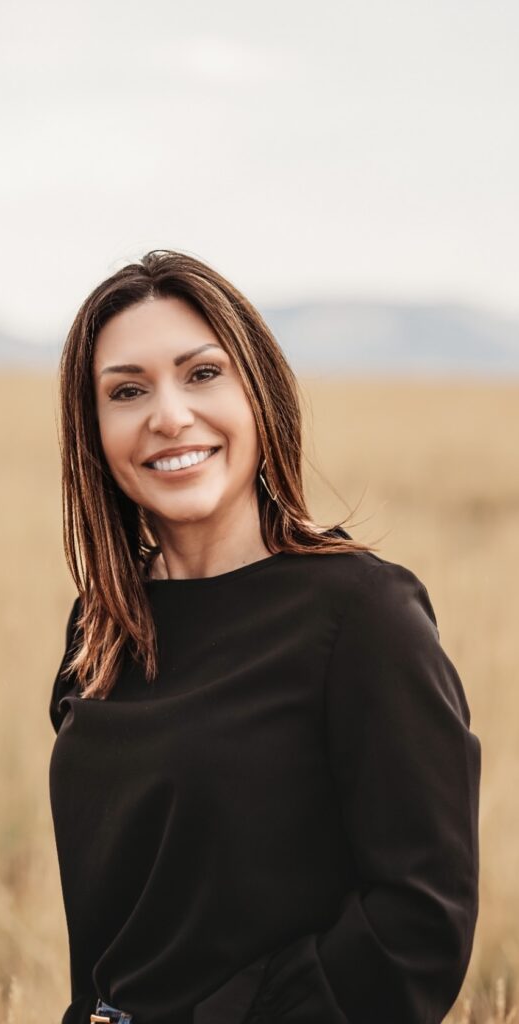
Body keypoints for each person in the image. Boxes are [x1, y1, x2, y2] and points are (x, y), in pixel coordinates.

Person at [48, 249, 481, 1024]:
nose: (169, 415)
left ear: (259, 393)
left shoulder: (361, 615)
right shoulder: (101, 623)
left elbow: (421, 925)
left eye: (203, 373)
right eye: (127, 390)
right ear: (94, 430)